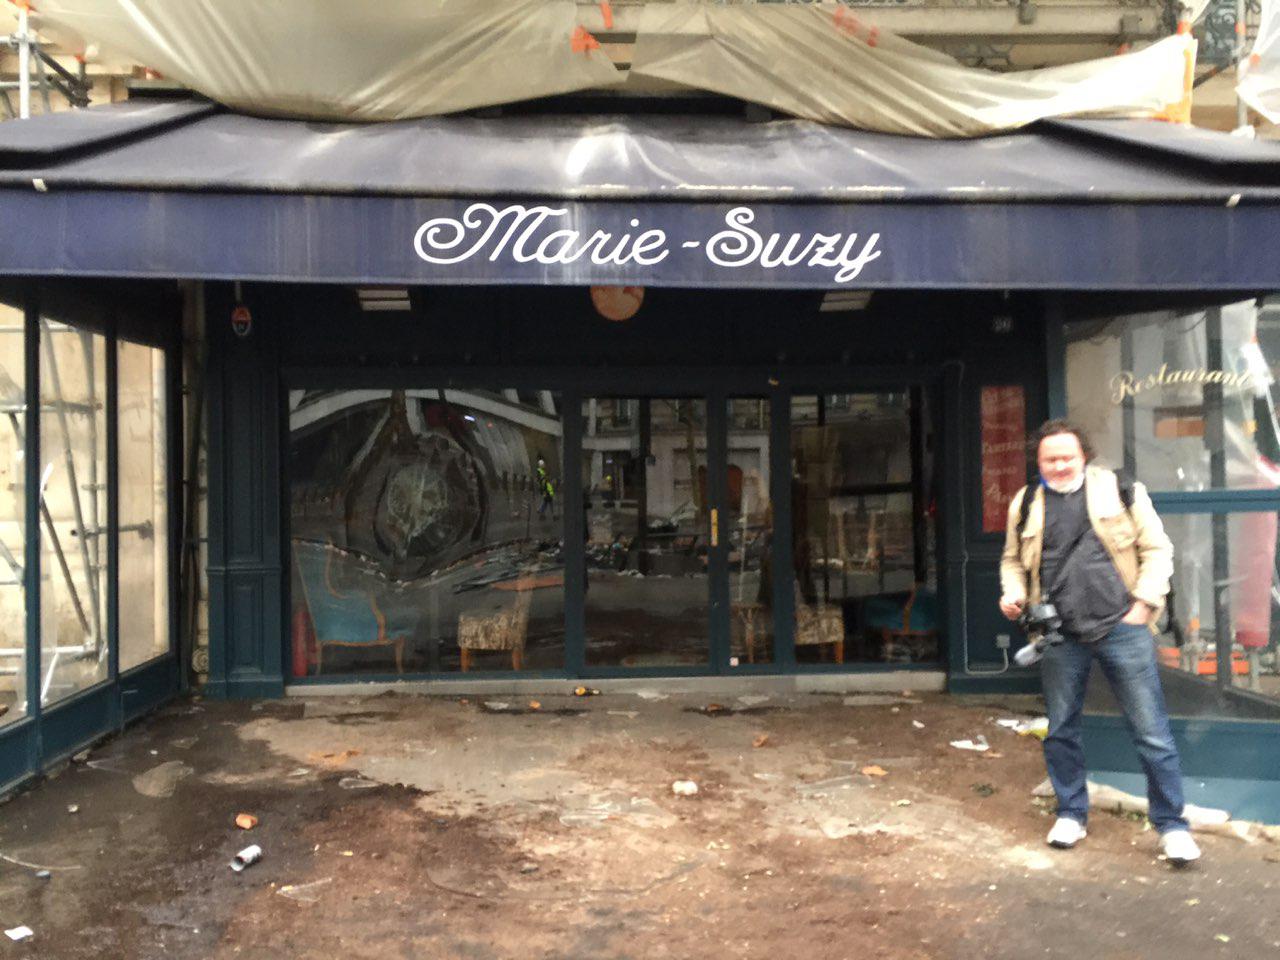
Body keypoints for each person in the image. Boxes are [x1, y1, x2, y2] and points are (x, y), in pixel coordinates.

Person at [999, 419, 1201, 865]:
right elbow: (1013, 560)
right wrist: (1012, 593)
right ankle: (1071, 814)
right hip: (1059, 634)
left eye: (1067, 457)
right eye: (1050, 459)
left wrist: (1144, 605)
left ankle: (1172, 826)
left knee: (1151, 733)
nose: (1060, 466)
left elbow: (1158, 550)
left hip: (1122, 628)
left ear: (1084, 455)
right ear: (1038, 462)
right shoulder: (1026, 502)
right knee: (1061, 730)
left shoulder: (1122, 489)